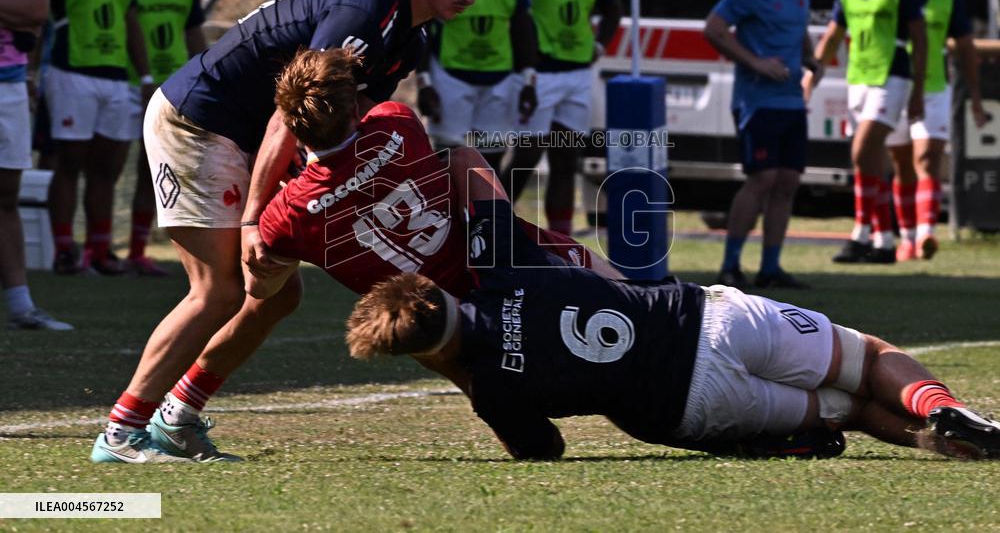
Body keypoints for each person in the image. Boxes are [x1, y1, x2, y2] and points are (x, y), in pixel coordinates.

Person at [90, 0, 497, 463]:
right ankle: (121, 432)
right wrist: (257, 216)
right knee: (220, 290)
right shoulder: (365, 12)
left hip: (243, 136)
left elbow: (342, 134)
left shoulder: (408, 35)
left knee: (275, 297)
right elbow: (287, 116)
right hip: (199, 122)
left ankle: (176, 419)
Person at [347, 165, 1000, 461]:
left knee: (851, 410)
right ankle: (937, 404)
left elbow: (542, 451)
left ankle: (942, 445)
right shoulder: (497, 276)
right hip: (703, 320)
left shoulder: (491, 389)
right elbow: (467, 161)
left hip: (686, 408)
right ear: (437, 293)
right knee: (870, 360)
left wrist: (457, 370)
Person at [39, 0, 155, 275]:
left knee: (108, 168)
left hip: (115, 79)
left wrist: (144, 76)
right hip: (70, 74)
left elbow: (130, 20)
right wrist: (34, 74)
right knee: (69, 163)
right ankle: (63, 249)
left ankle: (100, 251)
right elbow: (40, 21)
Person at [501, 0, 622, 236]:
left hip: (578, 73)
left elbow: (613, 6)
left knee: (566, 159)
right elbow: (515, 8)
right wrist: (523, 60)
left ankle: (561, 240)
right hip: (538, 73)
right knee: (526, 156)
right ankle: (493, 229)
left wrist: (599, 44)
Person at [704, 0, 818, 290]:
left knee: (788, 182)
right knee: (762, 179)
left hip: (791, 101)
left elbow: (799, 30)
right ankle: (730, 265)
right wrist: (755, 62)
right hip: (757, 100)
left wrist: (810, 59)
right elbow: (714, 28)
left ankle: (770, 267)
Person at [808, 0, 926, 265]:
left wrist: (918, 90)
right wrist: (811, 74)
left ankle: (861, 232)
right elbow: (833, 34)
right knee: (869, 162)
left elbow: (920, 38)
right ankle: (885, 240)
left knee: (863, 150)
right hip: (857, 78)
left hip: (893, 77)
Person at [417, 0, 537, 172]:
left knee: (489, 159)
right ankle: (447, 216)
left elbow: (521, 21)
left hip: (499, 77)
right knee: (447, 158)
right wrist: (424, 82)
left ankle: (484, 215)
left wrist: (528, 79)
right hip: (450, 76)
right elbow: (422, 24)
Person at [888, 0, 987, 262]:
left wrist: (974, 93)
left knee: (927, 160)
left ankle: (926, 231)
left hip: (933, 87)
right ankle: (906, 237)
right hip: (893, 84)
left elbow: (965, 47)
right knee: (902, 164)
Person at [124, 0, 208, 276]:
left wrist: (202, 74)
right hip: (126, 81)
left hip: (172, 88)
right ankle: (93, 248)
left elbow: (194, 34)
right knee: (105, 168)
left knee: (150, 170)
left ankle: (137, 250)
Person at [0, 0, 73, 330]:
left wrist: (22, 14)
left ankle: (21, 306)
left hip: (8, 85)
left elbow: (37, 10)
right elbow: (22, 12)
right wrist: (13, 11)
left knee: (5, 197)